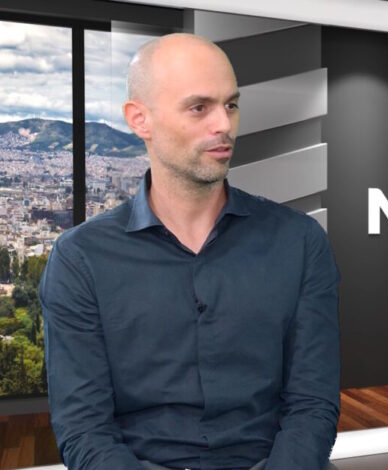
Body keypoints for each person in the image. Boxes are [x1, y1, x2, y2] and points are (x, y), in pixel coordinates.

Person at [39, 33, 341, 470]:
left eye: (231, 105)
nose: (224, 125)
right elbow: (84, 430)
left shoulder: (300, 242)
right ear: (140, 119)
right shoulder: (80, 259)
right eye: (199, 107)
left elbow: (312, 407)